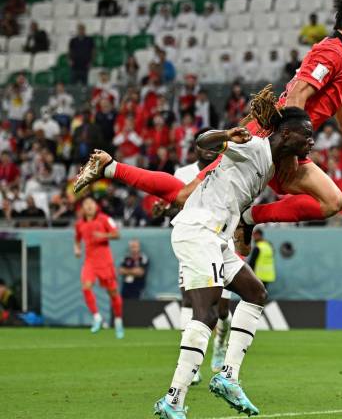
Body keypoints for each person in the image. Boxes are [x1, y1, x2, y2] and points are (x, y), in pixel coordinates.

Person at [75, 0, 342, 227]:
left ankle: (248, 220)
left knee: (333, 202)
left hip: (287, 143)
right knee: (184, 196)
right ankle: (108, 166)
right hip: (266, 140)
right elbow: (297, 94)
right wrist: (287, 150)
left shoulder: (341, 60)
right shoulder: (332, 51)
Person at [153, 106, 315, 419]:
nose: (312, 141)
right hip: (198, 230)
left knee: (256, 293)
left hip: (218, 237)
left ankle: (228, 376)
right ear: (287, 134)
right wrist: (227, 135)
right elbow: (204, 141)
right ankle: (173, 400)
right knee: (207, 313)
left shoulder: (271, 165)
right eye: (306, 134)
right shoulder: (252, 146)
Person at [171, 127, 233, 384]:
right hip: (194, 240)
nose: (210, 148)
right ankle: (192, 366)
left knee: (221, 308)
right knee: (190, 299)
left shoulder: (228, 167)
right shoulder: (183, 173)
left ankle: (221, 342)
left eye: (215, 144)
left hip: (222, 239)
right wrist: (162, 209)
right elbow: (175, 201)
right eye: (207, 143)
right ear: (197, 146)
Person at [74, 196, 124, 339]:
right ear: (83, 208)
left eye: (91, 203)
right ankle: (97, 317)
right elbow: (77, 240)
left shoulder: (104, 219)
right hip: (90, 261)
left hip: (105, 261)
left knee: (113, 293)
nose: (89, 206)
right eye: (86, 204)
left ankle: (118, 321)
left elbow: (117, 234)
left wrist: (103, 235)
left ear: (96, 206)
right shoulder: (79, 224)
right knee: (86, 285)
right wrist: (77, 250)